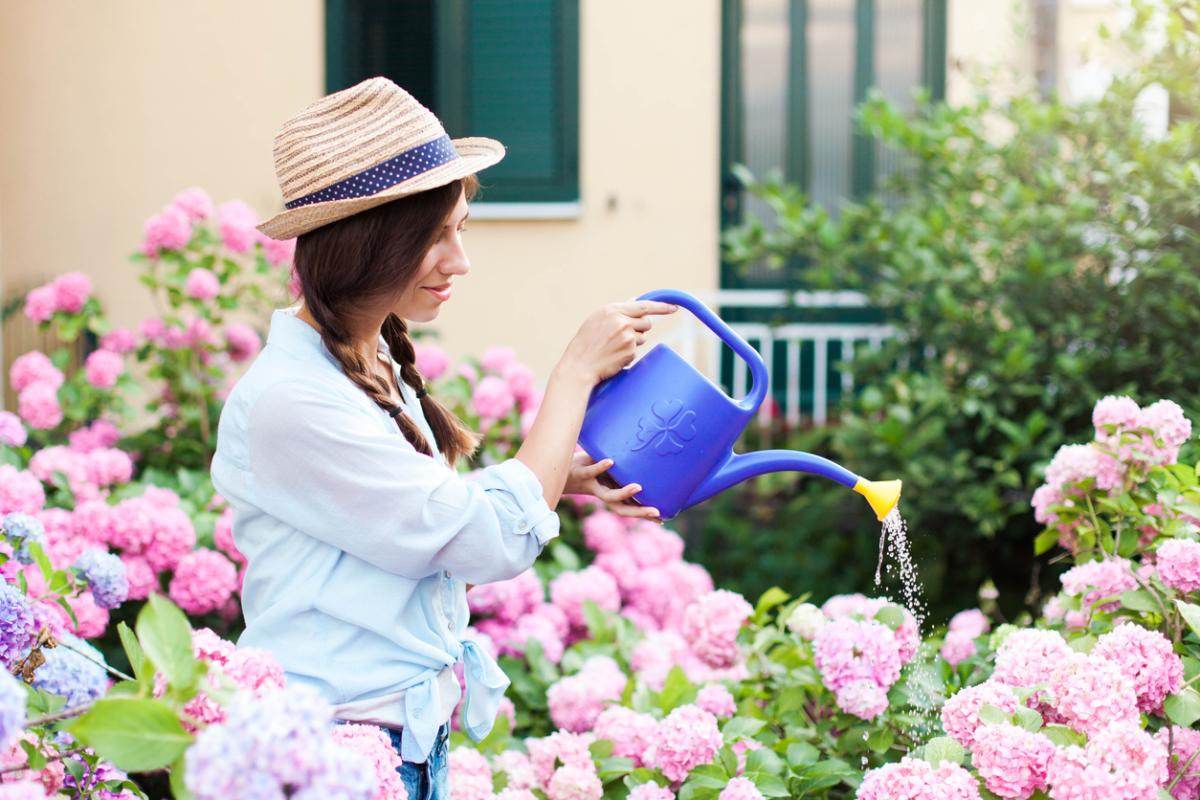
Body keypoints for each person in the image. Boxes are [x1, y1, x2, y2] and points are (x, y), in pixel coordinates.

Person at [210, 76, 676, 799]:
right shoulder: (293, 400)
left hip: (399, 743)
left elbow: (425, 528)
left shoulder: (365, 362)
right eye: (436, 237)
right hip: (330, 757)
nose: (459, 261)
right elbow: (484, 541)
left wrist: (559, 477)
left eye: (461, 229)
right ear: (369, 243)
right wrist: (575, 373)